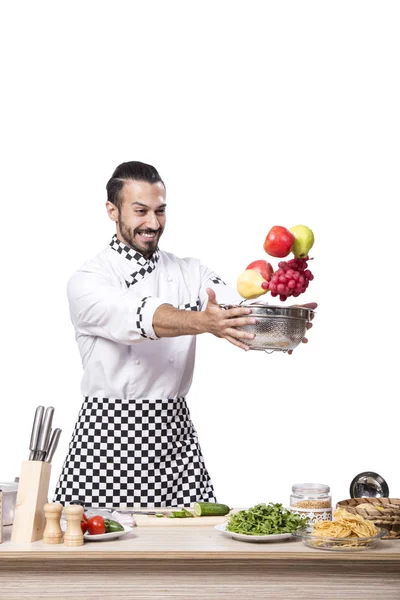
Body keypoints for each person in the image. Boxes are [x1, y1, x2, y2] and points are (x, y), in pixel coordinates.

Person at [54, 161, 316, 508]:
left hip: (173, 435)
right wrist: (205, 322)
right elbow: (143, 316)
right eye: (140, 211)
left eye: (160, 211)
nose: (153, 223)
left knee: (189, 550)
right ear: (111, 211)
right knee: (99, 550)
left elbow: (233, 310)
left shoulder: (189, 272)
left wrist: (282, 323)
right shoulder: (88, 280)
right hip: (107, 438)